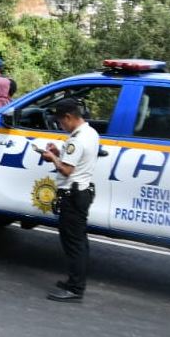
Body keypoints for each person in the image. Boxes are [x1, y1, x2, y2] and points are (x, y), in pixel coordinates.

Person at [41, 98, 100, 303]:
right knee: (79, 241)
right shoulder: (90, 132)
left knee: (73, 243)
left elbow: (66, 169)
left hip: (72, 196)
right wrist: (59, 152)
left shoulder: (76, 139)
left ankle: (75, 289)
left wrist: (52, 158)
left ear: (68, 117)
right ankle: (74, 282)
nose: (61, 126)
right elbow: (77, 158)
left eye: (61, 122)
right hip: (82, 192)